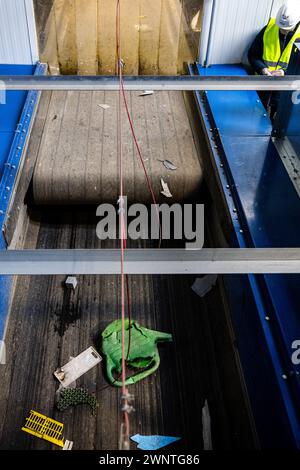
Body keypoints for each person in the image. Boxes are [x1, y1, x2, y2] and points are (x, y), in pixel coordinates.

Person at [248, 0, 300, 118]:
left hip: (287, 91)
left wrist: (284, 72)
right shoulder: (268, 30)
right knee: (257, 117)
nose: (283, 31)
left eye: (286, 28)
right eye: (281, 27)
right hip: (262, 86)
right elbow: (253, 55)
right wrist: (263, 69)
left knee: (280, 120)